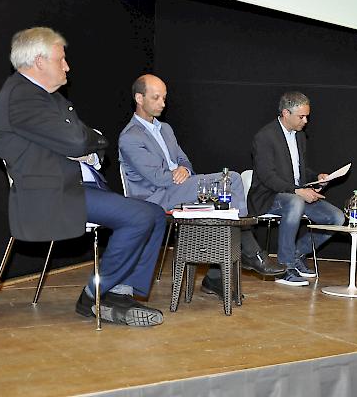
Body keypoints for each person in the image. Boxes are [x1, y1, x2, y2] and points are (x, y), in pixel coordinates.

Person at [0, 27, 166, 327]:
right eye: (61, 59)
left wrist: (84, 143)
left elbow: (87, 138)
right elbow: (76, 140)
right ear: (39, 61)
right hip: (51, 194)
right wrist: (83, 143)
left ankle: (117, 292)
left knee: (155, 213)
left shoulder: (50, 99)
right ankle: (94, 295)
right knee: (138, 216)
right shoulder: (21, 97)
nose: (67, 66)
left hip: (75, 186)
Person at [118, 74, 286, 297]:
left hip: (178, 187)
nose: (163, 103)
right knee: (231, 179)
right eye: (156, 98)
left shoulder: (165, 129)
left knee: (224, 206)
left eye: (165, 98)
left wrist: (185, 170)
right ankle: (250, 251)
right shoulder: (130, 136)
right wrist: (177, 173)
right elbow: (156, 177)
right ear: (139, 98)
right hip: (155, 197)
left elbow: (185, 161)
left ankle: (217, 277)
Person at [248, 91, 345, 286]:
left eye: (307, 116)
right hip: (268, 196)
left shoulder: (299, 136)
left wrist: (316, 178)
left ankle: (298, 253)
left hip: (295, 194)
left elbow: (297, 170)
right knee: (294, 202)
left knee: (336, 218)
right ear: (286, 113)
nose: (306, 121)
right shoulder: (265, 137)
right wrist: (297, 192)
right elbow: (267, 176)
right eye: (301, 116)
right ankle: (285, 267)